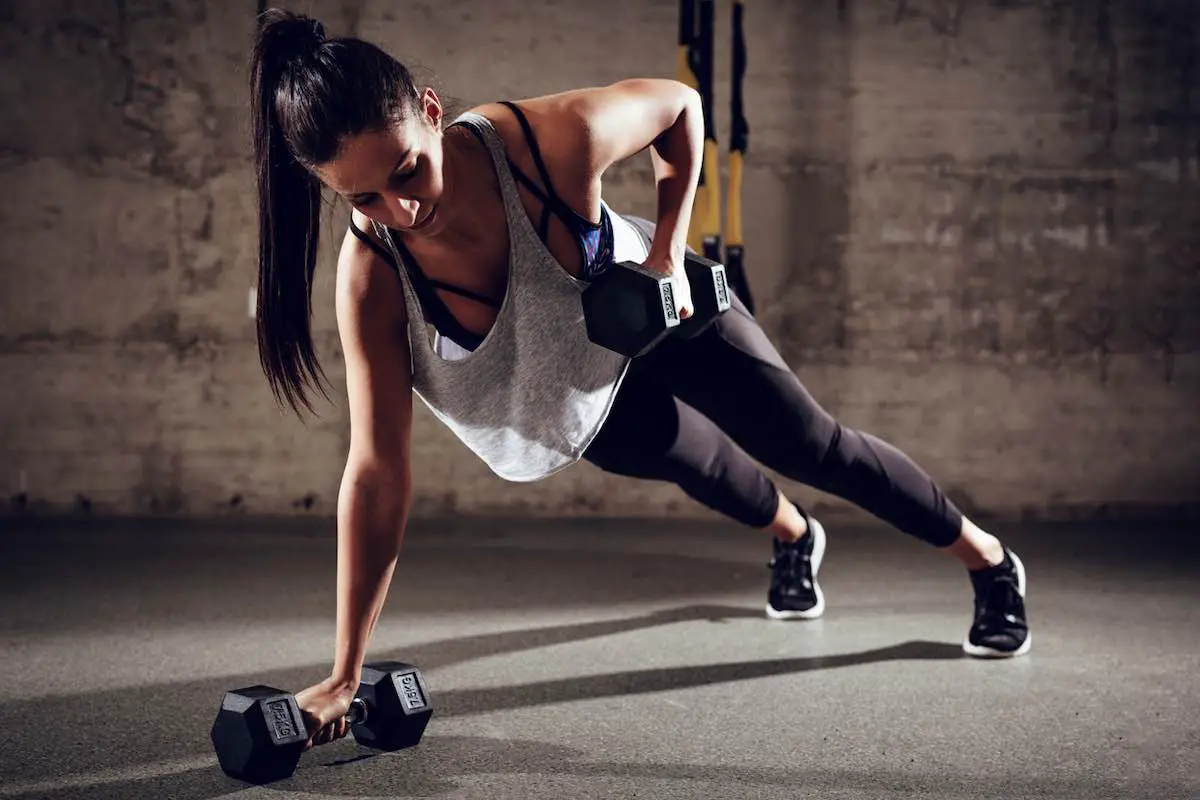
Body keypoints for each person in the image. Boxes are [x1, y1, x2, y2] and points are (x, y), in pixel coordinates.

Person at [248, 9, 1031, 751]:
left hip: (656, 318)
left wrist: (665, 254)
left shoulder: (546, 140)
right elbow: (377, 471)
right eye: (365, 199)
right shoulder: (372, 277)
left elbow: (681, 106)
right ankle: (796, 536)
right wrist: (344, 673)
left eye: (409, 170)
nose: (403, 207)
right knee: (702, 466)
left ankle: (989, 562)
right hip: (572, 388)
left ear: (428, 109)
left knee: (811, 446)